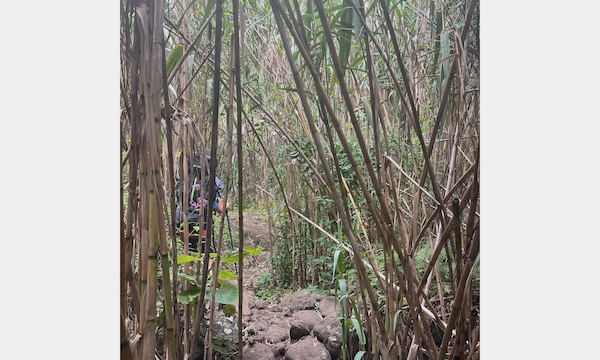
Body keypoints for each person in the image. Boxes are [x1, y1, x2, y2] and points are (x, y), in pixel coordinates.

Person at [175, 149, 230, 253]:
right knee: (209, 256)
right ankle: (210, 269)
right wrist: (226, 205)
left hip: (181, 225)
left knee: (188, 256)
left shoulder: (184, 178)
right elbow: (220, 208)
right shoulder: (214, 181)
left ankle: (187, 269)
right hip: (202, 226)